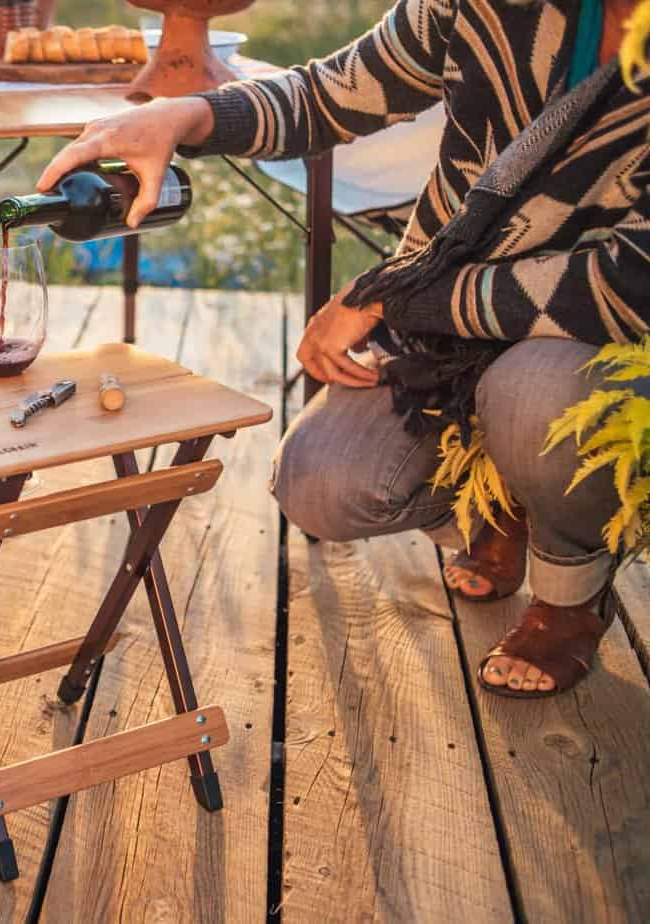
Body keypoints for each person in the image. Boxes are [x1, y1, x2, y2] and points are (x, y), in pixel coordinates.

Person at [39, 0, 649, 698]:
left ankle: (569, 591)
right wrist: (185, 118)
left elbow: (631, 283)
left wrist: (392, 295)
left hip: (606, 341)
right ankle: (505, 499)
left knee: (535, 395)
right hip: (449, 326)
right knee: (319, 483)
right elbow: (330, 94)